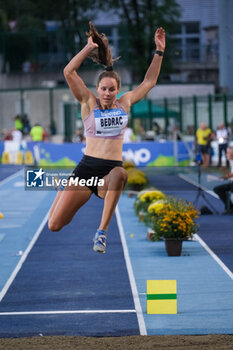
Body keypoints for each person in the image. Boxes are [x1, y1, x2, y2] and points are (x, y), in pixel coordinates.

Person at [48, 22, 165, 253]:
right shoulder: (88, 103)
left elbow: (149, 82)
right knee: (54, 225)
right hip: (85, 172)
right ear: (97, 88)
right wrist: (87, 48)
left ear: (118, 89)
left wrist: (159, 51)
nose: (107, 93)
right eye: (103, 89)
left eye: (112, 89)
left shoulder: (126, 103)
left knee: (121, 174)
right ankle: (64, 187)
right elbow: (68, 72)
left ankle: (102, 232)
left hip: (110, 171)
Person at [213, 146, 233, 214]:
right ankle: (230, 207)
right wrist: (224, 177)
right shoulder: (231, 161)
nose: (226, 154)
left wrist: (225, 170)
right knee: (217, 189)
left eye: (227, 152)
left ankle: (230, 208)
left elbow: (231, 175)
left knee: (219, 189)